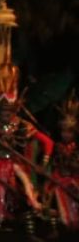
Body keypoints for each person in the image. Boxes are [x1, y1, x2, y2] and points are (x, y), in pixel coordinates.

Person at [0, 62, 53, 240]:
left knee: (26, 191)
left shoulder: (22, 125)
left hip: (15, 164)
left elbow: (47, 143)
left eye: (9, 110)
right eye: (2, 110)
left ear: (16, 107)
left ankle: (30, 228)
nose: (5, 113)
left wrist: (42, 164)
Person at [48, 93, 79, 231]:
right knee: (50, 195)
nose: (65, 135)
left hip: (73, 178)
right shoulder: (57, 146)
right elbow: (54, 163)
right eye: (63, 132)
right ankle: (55, 227)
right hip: (59, 178)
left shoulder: (76, 148)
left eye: (69, 132)